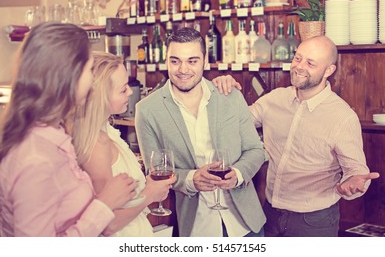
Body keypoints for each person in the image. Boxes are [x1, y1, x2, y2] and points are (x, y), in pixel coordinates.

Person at [213, 35, 380, 237]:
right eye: (298, 58)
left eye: (310, 63)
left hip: (314, 221)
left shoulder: (342, 117)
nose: (299, 66)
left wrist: (352, 183)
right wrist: (225, 90)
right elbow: (236, 121)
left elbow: (356, 171)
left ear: (329, 70)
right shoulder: (275, 99)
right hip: (270, 213)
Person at [0, 22, 137, 237]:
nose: (93, 81)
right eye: (89, 70)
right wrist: (104, 205)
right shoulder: (35, 157)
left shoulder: (53, 134)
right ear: (68, 75)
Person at [135, 27, 266, 237]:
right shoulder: (147, 110)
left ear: (205, 62)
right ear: (166, 60)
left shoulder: (230, 97)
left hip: (245, 224)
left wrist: (238, 174)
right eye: (175, 61)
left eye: (192, 61)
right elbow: (155, 172)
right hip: (196, 227)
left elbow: (255, 150)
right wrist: (191, 179)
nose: (183, 69)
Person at [71, 51, 176, 237]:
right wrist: (149, 194)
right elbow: (108, 224)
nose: (130, 92)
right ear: (101, 96)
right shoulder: (96, 144)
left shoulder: (106, 131)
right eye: (123, 88)